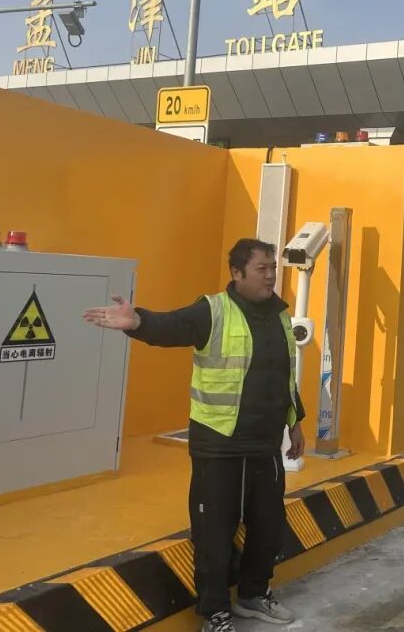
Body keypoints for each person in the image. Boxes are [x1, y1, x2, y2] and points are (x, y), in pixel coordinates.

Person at [83, 239, 304, 632]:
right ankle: (215, 612)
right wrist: (138, 322)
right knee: (214, 537)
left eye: (273, 268)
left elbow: (285, 375)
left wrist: (295, 422)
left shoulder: (280, 316)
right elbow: (174, 325)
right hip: (219, 445)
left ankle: (253, 595)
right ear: (237, 273)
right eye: (262, 269)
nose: (271, 276)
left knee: (268, 529)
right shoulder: (213, 310)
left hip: (265, 445)